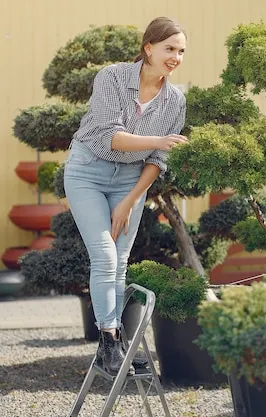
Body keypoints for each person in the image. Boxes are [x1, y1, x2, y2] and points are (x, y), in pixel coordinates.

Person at [63, 17, 188, 376]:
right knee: (103, 256)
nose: (175, 57)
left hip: (131, 182)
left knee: (119, 261)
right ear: (149, 48)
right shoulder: (112, 77)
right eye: (169, 49)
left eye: (181, 51)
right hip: (88, 170)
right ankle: (109, 341)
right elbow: (107, 136)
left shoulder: (175, 101)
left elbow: (158, 161)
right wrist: (158, 140)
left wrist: (131, 199)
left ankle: (112, 348)